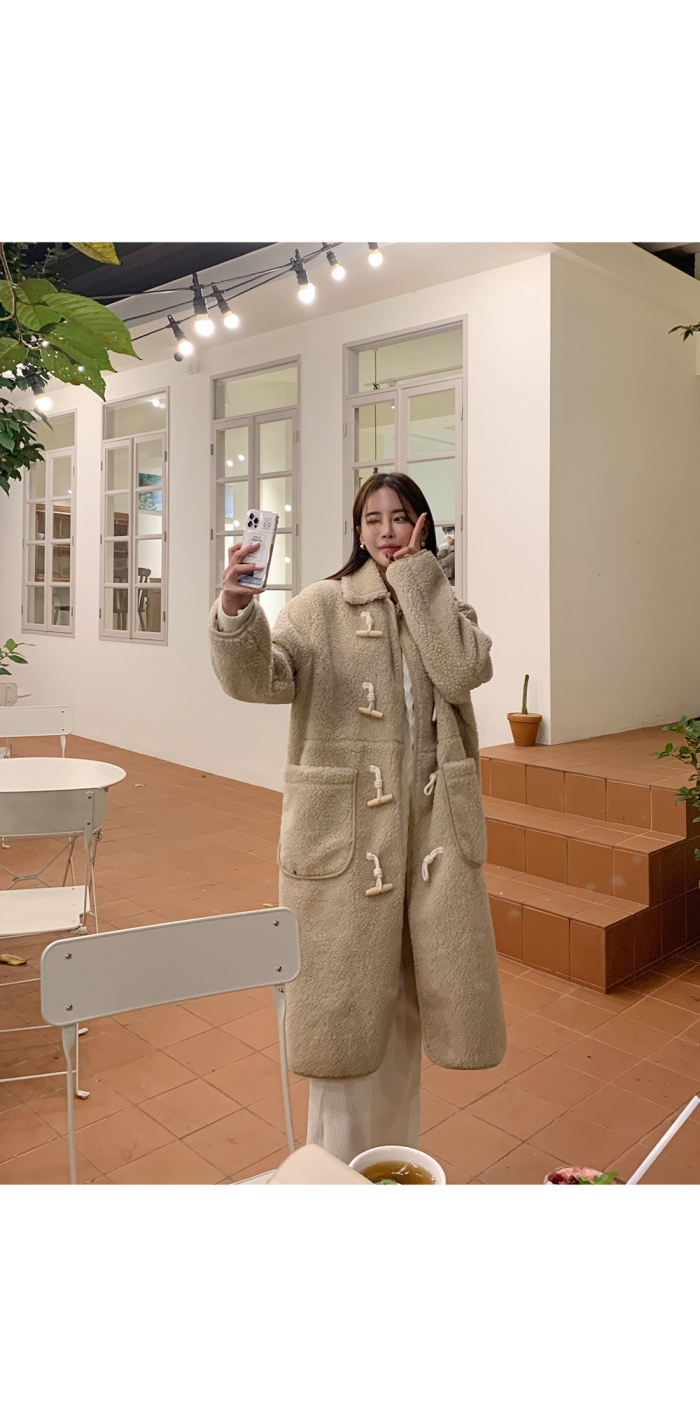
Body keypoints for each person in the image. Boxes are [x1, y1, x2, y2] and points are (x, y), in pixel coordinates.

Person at [209, 472, 505, 1164]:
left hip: (430, 841)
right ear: (357, 530)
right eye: (372, 519)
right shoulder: (322, 606)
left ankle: (392, 1173)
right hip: (348, 845)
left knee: (406, 1016)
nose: (386, 531)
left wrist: (421, 582)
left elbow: (461, 672)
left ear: (423, 526)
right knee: (345, 1024)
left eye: (400, 517)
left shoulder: (445, 607)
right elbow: (259, 679)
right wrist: (235, 610)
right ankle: (334, 1180)